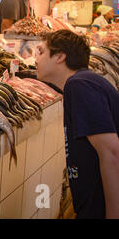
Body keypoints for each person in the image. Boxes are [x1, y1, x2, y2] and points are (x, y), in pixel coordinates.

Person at [35, 29, 119, 219]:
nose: (36, 59)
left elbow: (112, 152)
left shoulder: (80, 85)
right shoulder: (82, 83)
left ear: (60, 57)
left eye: (41, 52)